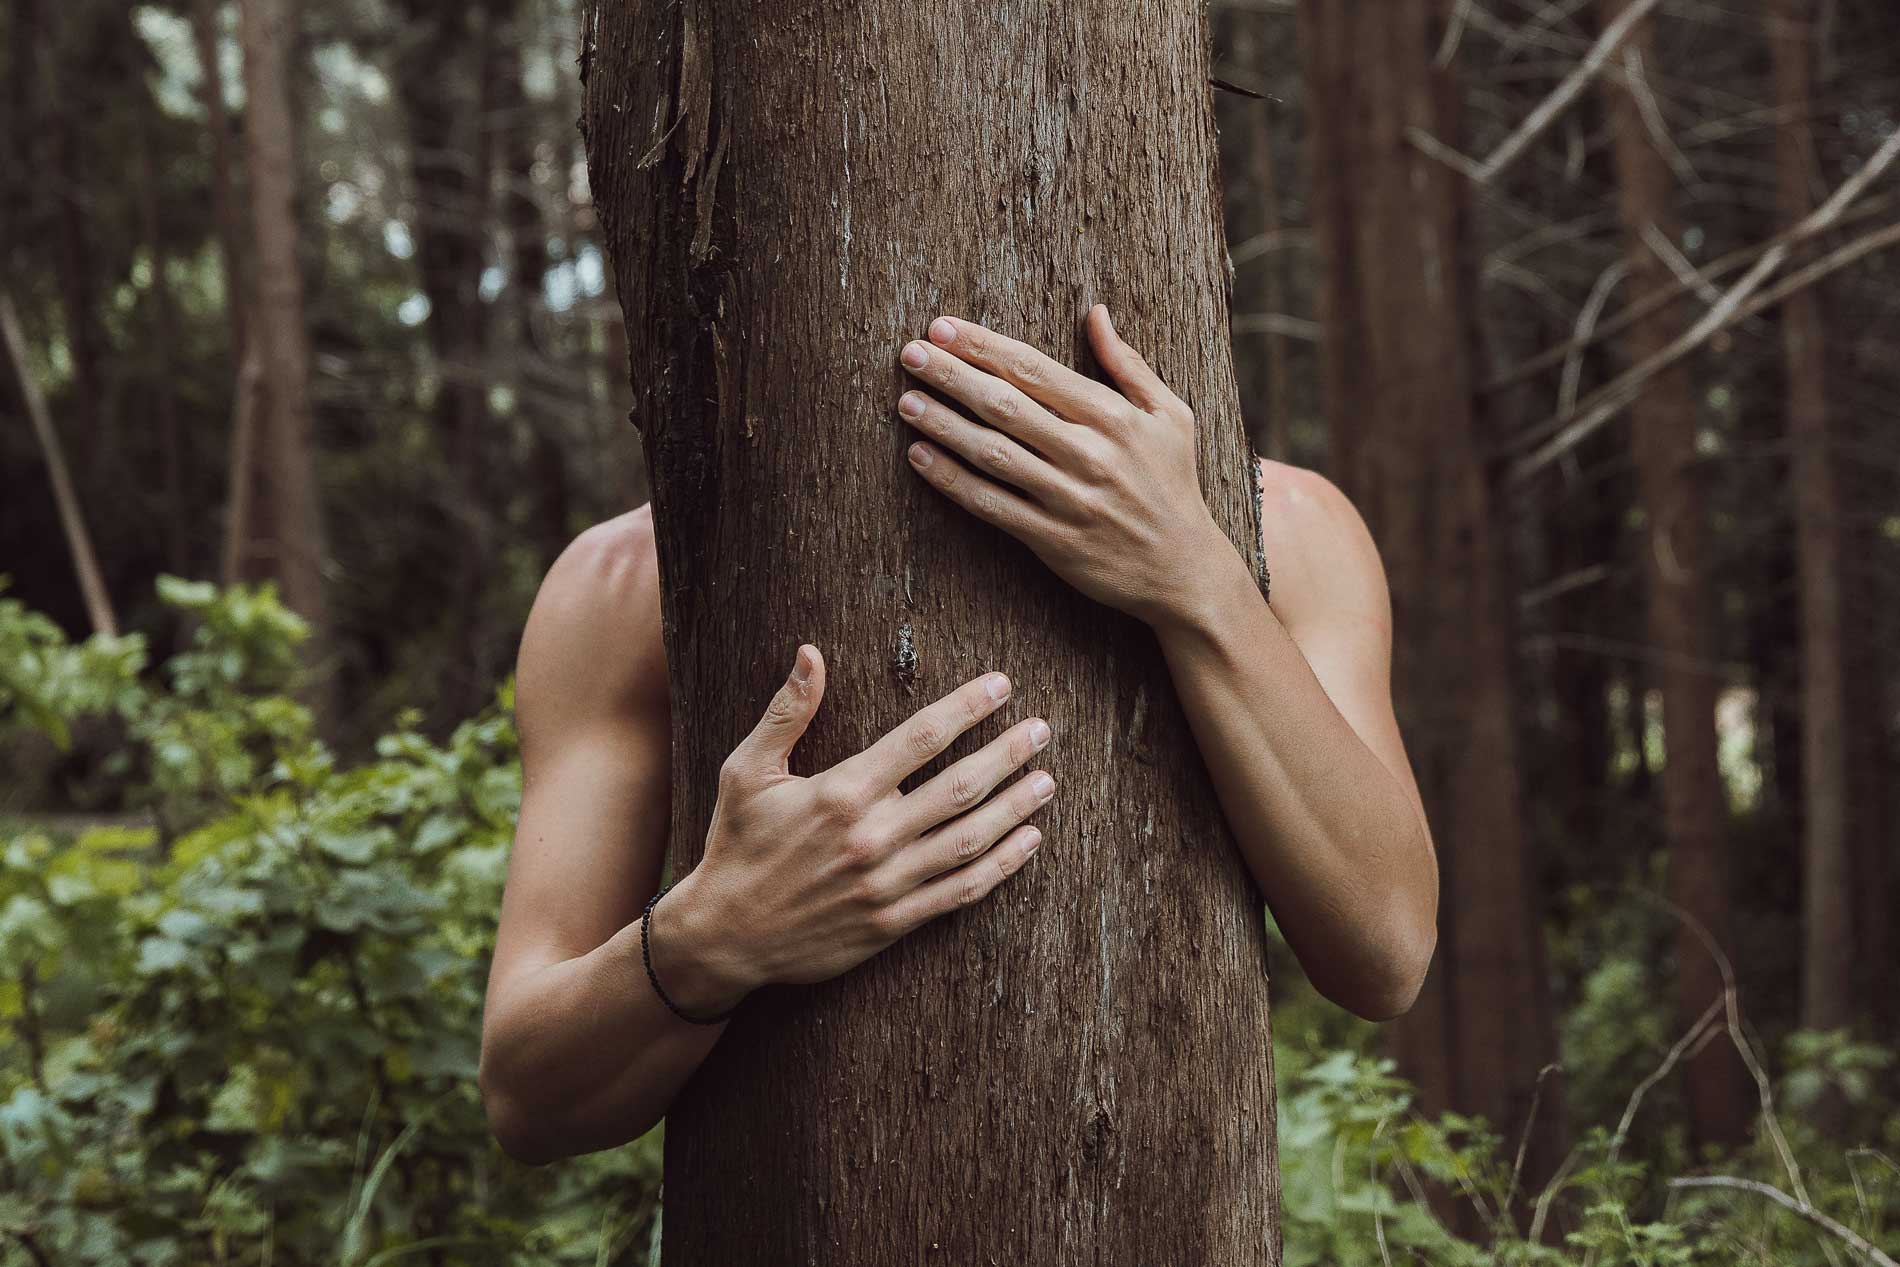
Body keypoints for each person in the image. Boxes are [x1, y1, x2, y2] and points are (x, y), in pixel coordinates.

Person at [477, 304, 1438, 1165]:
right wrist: (714, 936)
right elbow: (526, 1095)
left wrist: (1201, 582)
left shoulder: (1291, 532)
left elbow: (1385, 951)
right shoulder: (619, 585)